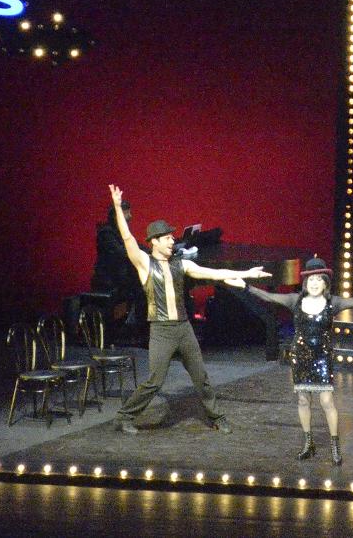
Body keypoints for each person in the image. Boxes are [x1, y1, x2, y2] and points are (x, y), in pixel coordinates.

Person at [108, 184, 272, 435]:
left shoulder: (181, 264)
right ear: (154, 242)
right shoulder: (144, 263)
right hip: (161, 330)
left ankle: (217, 417)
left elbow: (214, 273)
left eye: (172, 237)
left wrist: (247, 273)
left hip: (184, 328)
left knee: (200, 377)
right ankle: (124, 417)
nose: (172, 240)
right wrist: (118, 207)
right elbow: (127, 237)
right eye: (167, 238)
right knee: (154, 381)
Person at [224, 257, 353, 465]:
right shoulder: (295, 300)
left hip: (322, 357)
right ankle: (308, 443)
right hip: (301, 356)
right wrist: (245, 287)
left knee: (327, 401)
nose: (314, 283)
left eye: (318, 279)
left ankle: (335, 446)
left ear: (325, 283)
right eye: (311, 280)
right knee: (303, 400)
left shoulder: (333, 303)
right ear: (306, 283)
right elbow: (269, 297)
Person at [90, 199, 143, 338]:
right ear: (117, 215)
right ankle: (139, 330)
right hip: (110, 279)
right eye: (127, 213)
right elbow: (122, 253)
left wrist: (152, 251)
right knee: (143, 289)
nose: (130, 216)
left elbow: (136, 246)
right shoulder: (106, 233)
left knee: (144, 286)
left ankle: (136, 326)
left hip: (121, 277)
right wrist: (142, 255)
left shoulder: (120, 232)